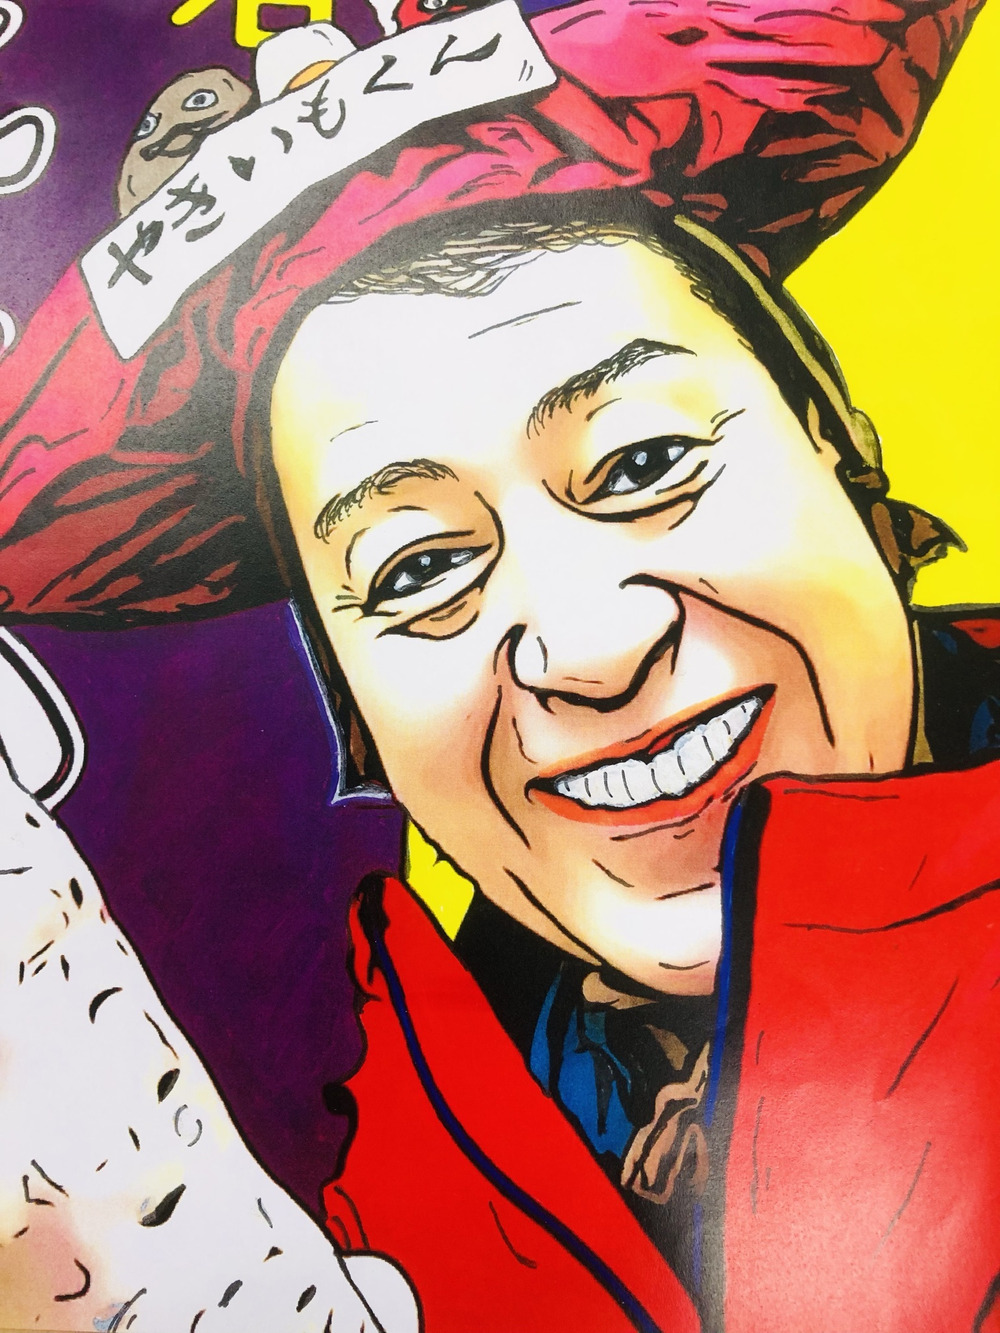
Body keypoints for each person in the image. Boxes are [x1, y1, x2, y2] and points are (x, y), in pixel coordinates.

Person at [0, 1, 997, 1330]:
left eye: (646, 463)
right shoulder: (370, 1172)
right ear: (347, 691)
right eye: (417, 569)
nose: (588, 648)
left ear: (834, 435)